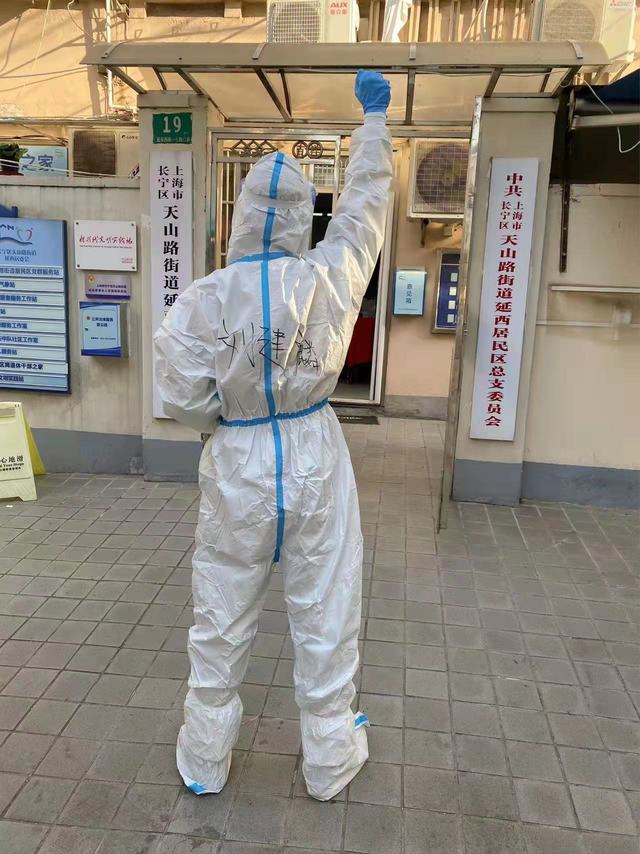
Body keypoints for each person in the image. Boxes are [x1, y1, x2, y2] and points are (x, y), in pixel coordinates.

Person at [154, 70, 392, 801]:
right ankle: (329, 760)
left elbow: (181, 392)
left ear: (242, 215)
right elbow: (364, 212)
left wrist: (222, 422)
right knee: (326, 603)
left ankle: (205, 760)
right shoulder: (328, 278)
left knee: (221, 609)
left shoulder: (205, 299)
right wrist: (373, 126)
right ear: (300, 219)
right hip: (315, 447)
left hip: (239, 458)